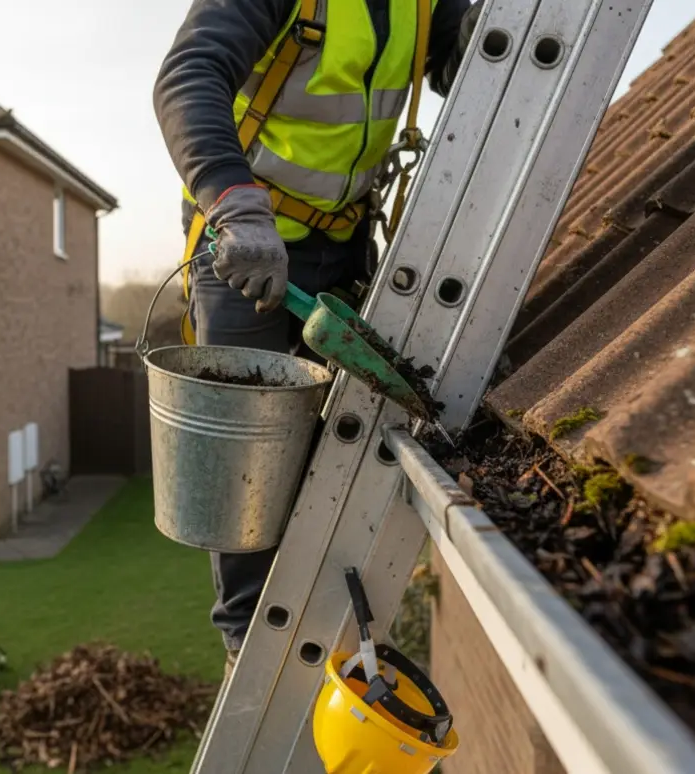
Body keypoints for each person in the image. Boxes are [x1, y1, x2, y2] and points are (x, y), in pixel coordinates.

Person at [152, 0, 483, 680]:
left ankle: (333, 619)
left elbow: (463, 63)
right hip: (248, 244)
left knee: (341, 440)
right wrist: (232, 202)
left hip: (345, 245)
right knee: (246, 449)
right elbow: (188, 75)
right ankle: (247, 645)